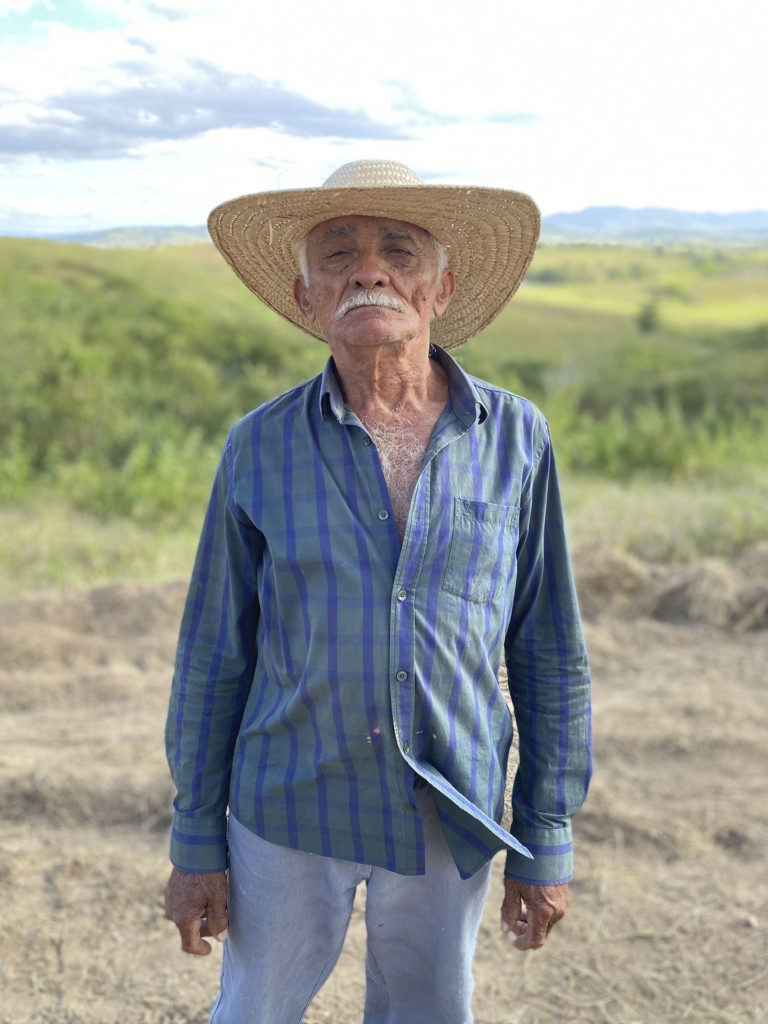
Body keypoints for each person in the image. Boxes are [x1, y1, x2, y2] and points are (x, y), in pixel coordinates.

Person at [164, 159, 592, 1024]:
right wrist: (195, 838)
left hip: (452, 802)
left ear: (441, 287)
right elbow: (214, 653)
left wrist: (544, 836)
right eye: (339, 254)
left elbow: (547, 649)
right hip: (286, 798)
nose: (369, 270)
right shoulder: (258, 446)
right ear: (306, 295)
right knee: (254, 1012)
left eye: (399, 249)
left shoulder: (515, 438)